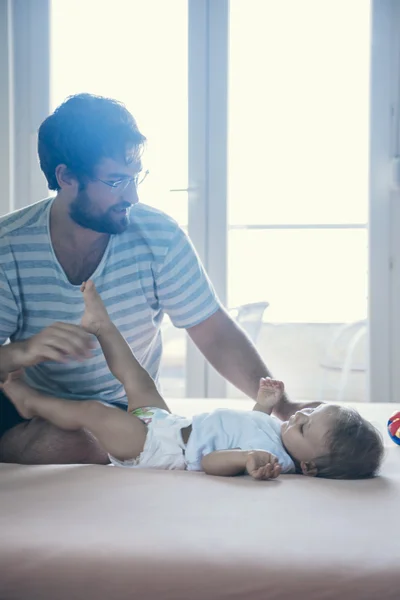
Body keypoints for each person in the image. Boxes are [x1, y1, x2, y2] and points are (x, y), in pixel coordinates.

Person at [0, 93, 315, 465]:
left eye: (136, 178)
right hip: (27, 404)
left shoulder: (158, 235)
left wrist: (283, 407)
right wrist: (19, 352)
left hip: (126, 406)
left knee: (93, 441)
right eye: (116, 181)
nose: (133, 195)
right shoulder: (10, 245)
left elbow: (212, 330)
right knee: (69, 442)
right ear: (66, 176)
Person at [2, 281, 384, 479]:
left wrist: (246, 461)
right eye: (309, 413)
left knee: (95, 412)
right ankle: (102, 327)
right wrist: (263, 406)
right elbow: (243, 427)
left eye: (304, 429)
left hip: (158, 450)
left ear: (310, 468)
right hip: (170, 426)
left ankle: (29, 401)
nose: (297, 418)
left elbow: (211, 460)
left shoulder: (274, 460)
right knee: (135, 375)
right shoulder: (280, 436)